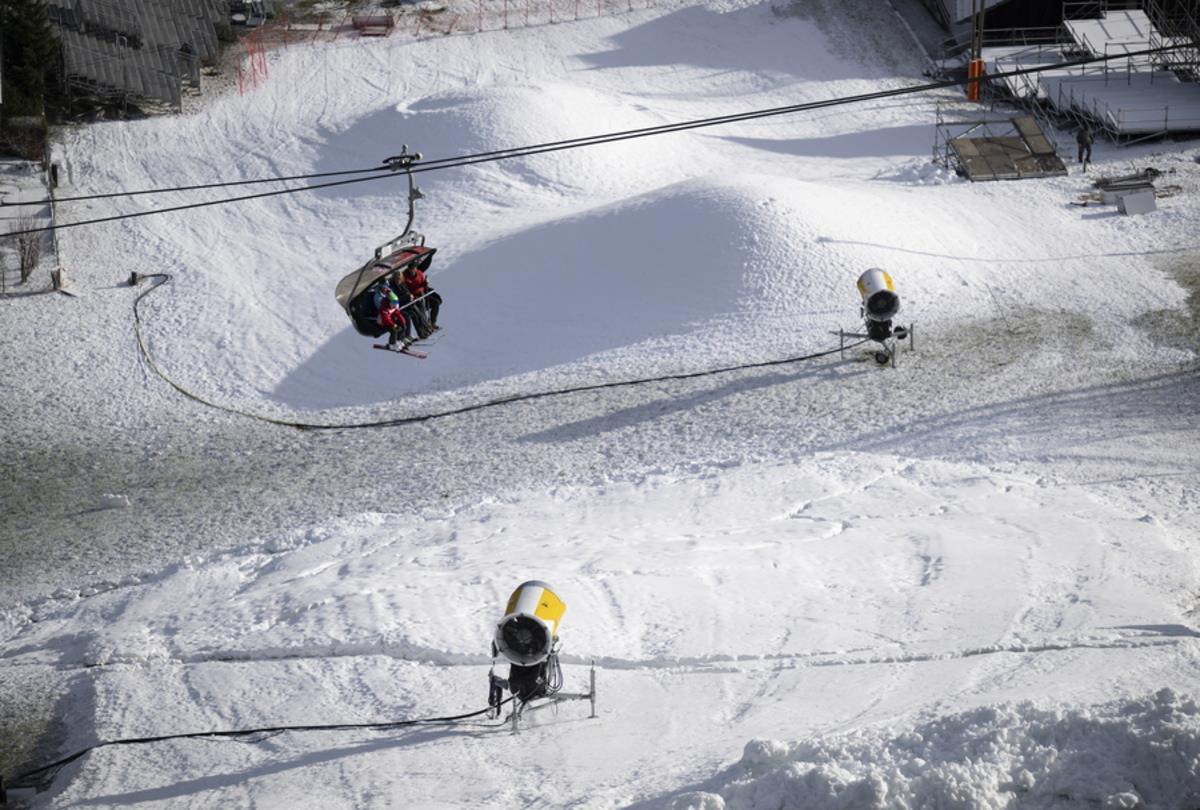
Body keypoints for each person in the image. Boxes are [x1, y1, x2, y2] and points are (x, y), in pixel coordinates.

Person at [402, 263, 442, 334]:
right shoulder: (405, 276)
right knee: (420, 311)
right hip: (414, 297)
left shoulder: (419, 273)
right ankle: (424, 329)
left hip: (422, 294)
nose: (412, 271)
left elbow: (422, 283)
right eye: (410, 270)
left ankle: (432, 323)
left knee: (436, 302)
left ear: (416, 269)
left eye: (413, 269)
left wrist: (426, 282)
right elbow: (405, 288)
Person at [373, 283, 410, 349]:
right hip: (383, 322)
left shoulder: (393, 306)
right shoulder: (384, 307)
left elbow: (398, 314)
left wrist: (403, 322)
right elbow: (386, 318)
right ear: (389, 301)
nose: (394, 305)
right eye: (393, 303)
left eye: (395, 303)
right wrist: (393, 325)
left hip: (391, 320)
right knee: (394, 330)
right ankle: (391, 344)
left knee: (402, 327)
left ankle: (399, 341)